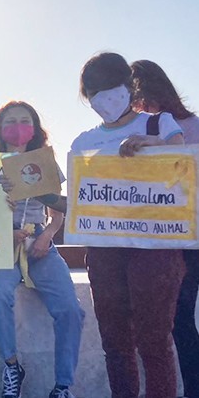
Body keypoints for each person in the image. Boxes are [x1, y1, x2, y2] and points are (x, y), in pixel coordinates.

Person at [72, 53, 185, 398]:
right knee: (115, 343)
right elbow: (77, 203)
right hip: (104, 252)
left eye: (109, 86)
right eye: (93, 90)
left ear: (129, 85)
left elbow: (184, 171)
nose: (102, 97)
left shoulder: (161, 124)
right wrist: (28, 191)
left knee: (154, 341)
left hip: (156, 251)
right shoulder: (82, 143)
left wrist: (157, 148)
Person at [0, 101, 84, 398]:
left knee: (70, 310)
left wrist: (47, 236)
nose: (18, 127)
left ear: (35, 128)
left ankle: (63, 385)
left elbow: (57, 213)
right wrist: (2, 227)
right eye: (10, 121)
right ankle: (12, 366)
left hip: (38, 241)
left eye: (25, 121)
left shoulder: (45, 163)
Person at [131, 59, 199, 398]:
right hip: (164, 243)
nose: (136, 105)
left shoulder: (193, 126)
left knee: (181, 319)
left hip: (193, 237)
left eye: (136, 95)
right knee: (178, 320)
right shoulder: (132, 133)